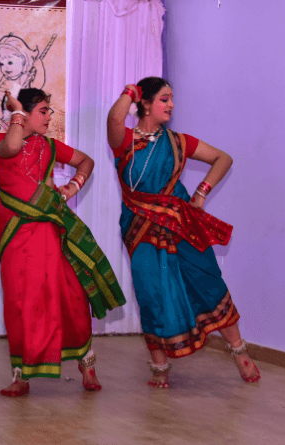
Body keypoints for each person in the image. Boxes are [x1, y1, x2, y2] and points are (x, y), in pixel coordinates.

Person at [106, 77, 261, 388]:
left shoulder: (178, 142)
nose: (171, 105)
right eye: (164, 99)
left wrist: (202, 192)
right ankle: (160, 367)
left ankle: (239, 351)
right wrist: (130, 91)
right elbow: (114, 118)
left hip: (180, 223)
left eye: (172, 99)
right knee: (151, 291)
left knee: (207, 280)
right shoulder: (124, 141)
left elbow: (223, 158)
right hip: (140, 228)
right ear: (146, 104)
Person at [0, 88, 126, 396]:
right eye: (43, 110)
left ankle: (87, 365)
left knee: (70, 297)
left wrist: (71, 187)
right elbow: (13, 147)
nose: (50, 115)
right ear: (23, 114)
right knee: (19, 302)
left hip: (51, 232)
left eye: (49, 110)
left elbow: (86, 162)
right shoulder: (0, 142)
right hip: (16, 234)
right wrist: (15, 112)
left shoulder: (49, 147)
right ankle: (21, 375)